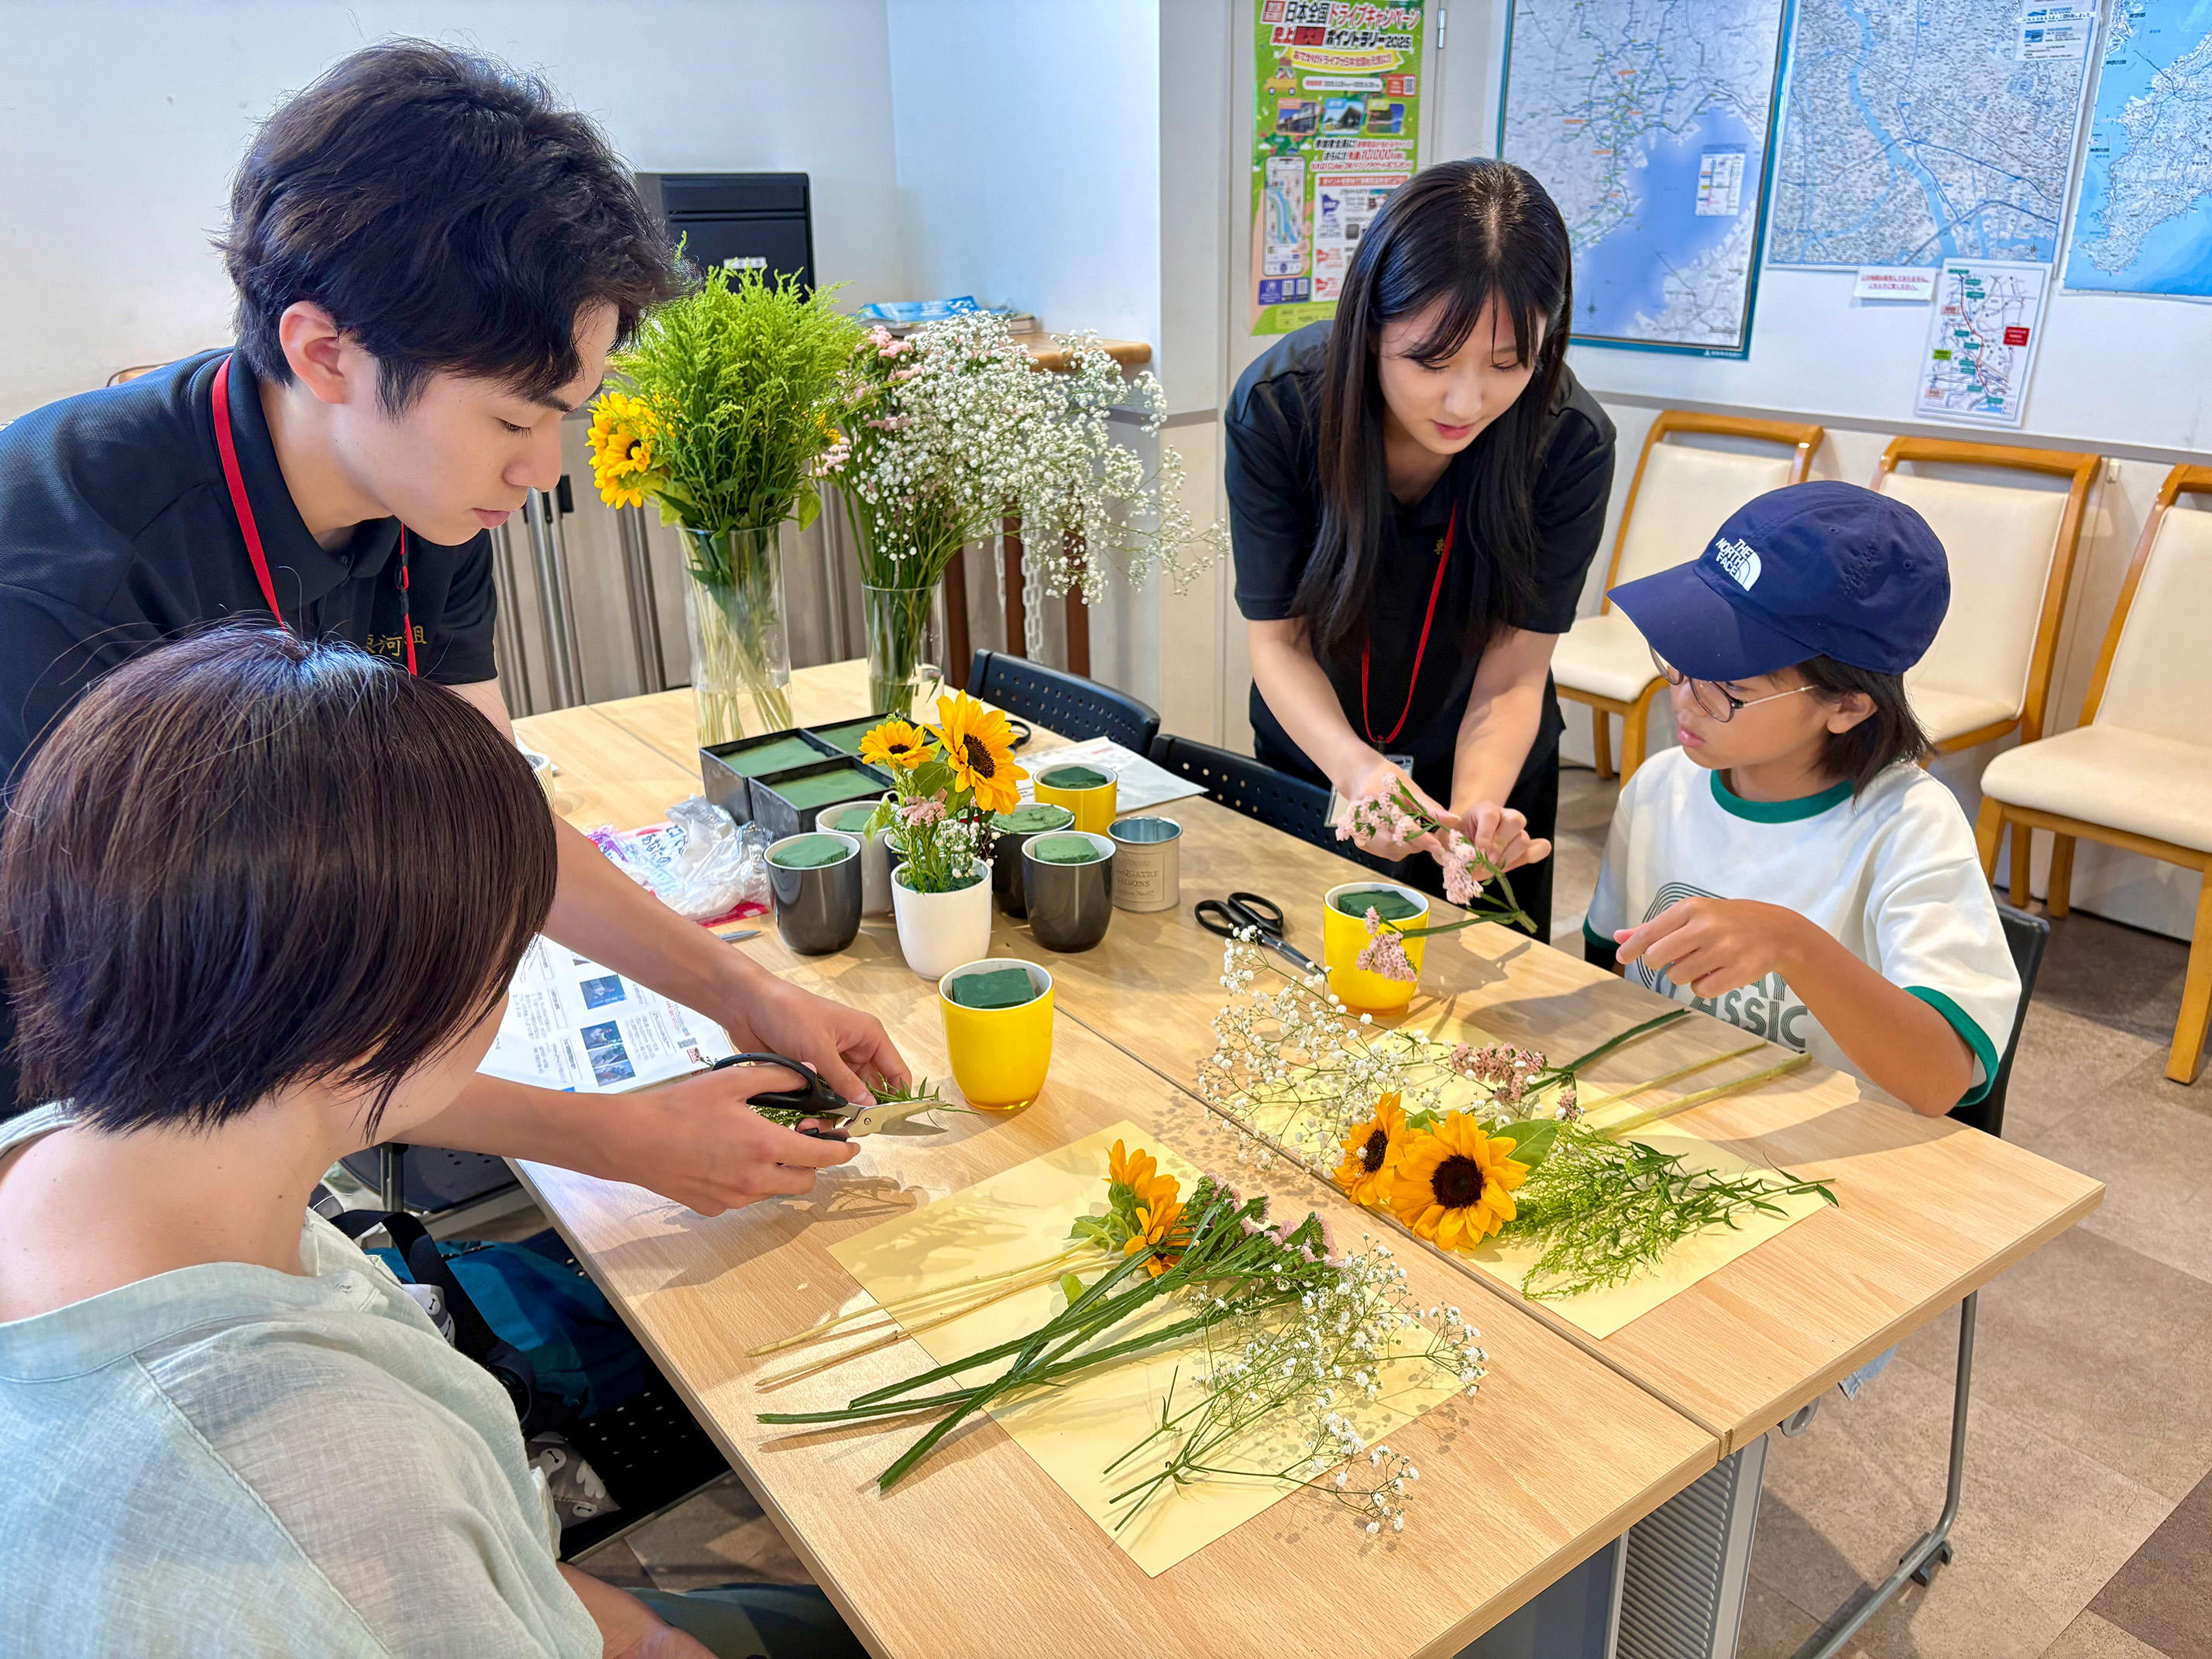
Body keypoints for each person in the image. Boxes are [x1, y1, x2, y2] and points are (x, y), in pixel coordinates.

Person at [0, 41, 905, 1210]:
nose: (542, 470)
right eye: (513, 419)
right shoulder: (74, 574)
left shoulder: (429, 501)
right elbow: (190, 1044)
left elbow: (494, 823)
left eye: (571, 415)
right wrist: (615, 1138)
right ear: (325, 352)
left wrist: (744, 994)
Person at [0, 628, 866, 1658]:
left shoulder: (65, 1157)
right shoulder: (328, 1483)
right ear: (370, 1016)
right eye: (507, 958)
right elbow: (386, 1567)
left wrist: (616, 1626)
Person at [1225, 159, 1617, 933]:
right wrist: (1358, 771)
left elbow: (1515, 671)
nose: (1468, 401)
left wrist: (1475, 814)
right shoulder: (1280, 408)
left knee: (1482, 1026)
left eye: (1509, 364)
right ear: (1370, 323)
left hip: (1491, 758)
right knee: (1307, 993)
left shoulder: (1567, 442)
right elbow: (1278, 642)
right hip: (1320, 752)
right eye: (1432, 361)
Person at [1585, 483, 2021, 1117]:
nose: (1683, 697)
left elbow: (1941, 1079)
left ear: (1847, 705)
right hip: (1672, 1118)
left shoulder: (1909, 826)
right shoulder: (1660, 786)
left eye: (1728, 686)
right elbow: (1609, 982)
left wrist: (1794, 944)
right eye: (1680, 658)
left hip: (1826, 1157)